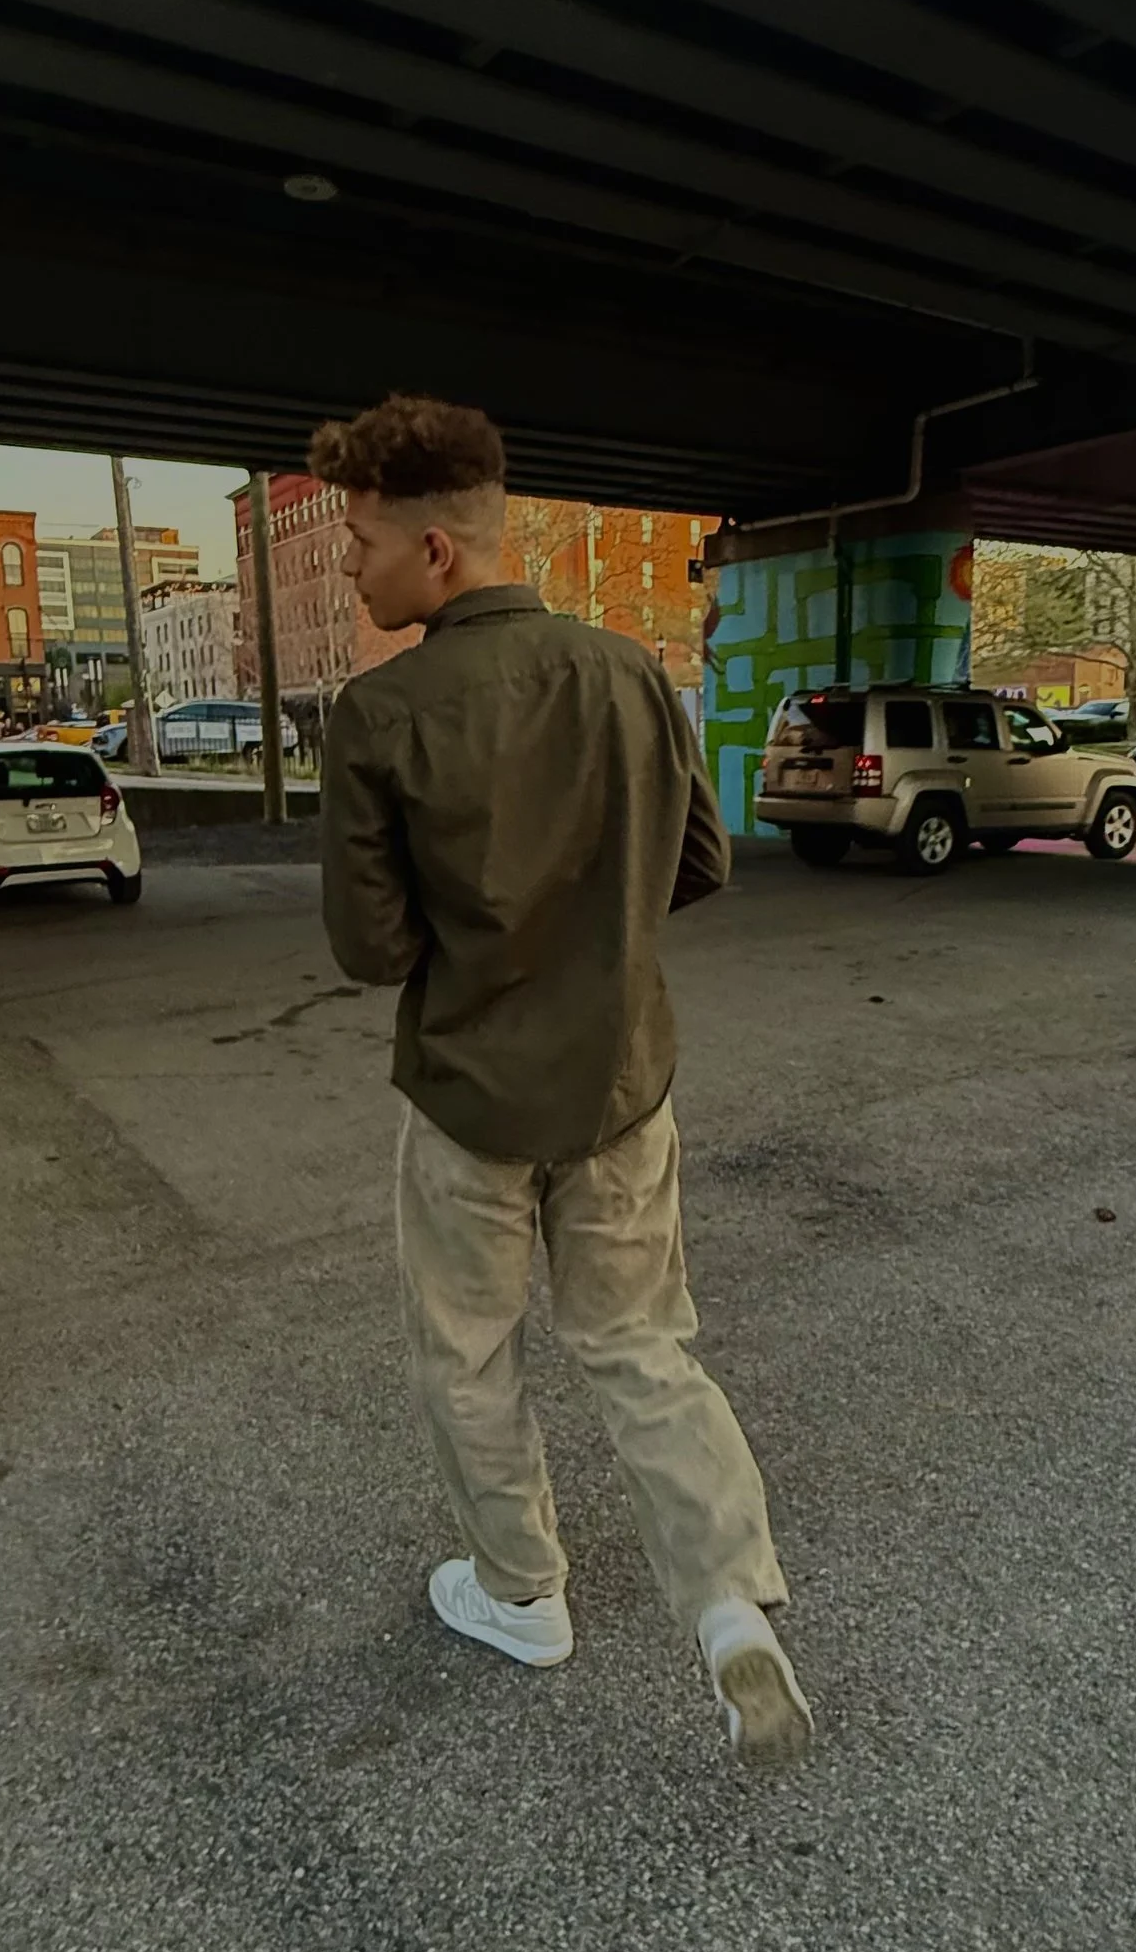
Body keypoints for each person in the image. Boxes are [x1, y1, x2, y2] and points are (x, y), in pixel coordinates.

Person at [313, 395, 810, 1765]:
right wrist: (600, 929)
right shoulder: (631, 671)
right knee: (642, 1345)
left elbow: (370, 949)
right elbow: (700, 865)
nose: (348, 570)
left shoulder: (380, 714)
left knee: (470, 1353)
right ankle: (725, 1608)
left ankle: (524, 1594)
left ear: (436, 552)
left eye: (358, 543)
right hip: (623, 1086)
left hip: (469, 1100)